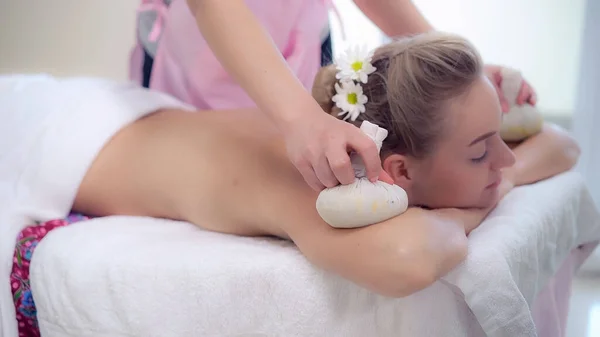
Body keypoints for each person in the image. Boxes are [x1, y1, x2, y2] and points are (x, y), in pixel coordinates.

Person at [1, 33, 578, 299]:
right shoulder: (318, 175)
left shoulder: (411, 146)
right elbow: (409, 258)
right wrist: (476, 197)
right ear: (398, 174)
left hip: (115, 110)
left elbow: (560, 144)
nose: (504, 159)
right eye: (482, 150)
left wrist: (490, 177)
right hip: (37, 132)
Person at [130, 0, 537, 193]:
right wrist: (300, 120)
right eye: (482, 153)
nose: (507, 162)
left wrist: (450, 65)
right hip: (207, 63)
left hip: (297, 45)